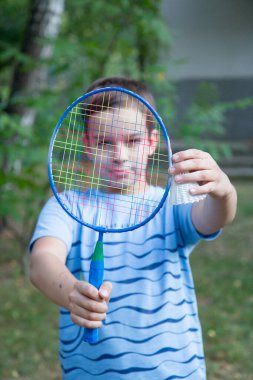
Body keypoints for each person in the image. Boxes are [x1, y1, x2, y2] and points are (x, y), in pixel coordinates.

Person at [29, 76, 237, 380]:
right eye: (104, 142)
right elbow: (42, 262)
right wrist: (71, 292)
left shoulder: (171, 205)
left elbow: (214, 218)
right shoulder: (66, 206)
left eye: (133, 141)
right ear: (86, 145)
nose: (120, 155)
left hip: (176, 372)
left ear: (152, 142)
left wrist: (224, 192)